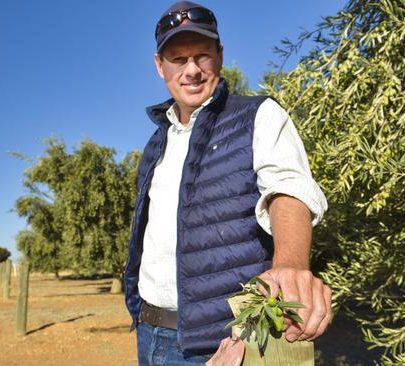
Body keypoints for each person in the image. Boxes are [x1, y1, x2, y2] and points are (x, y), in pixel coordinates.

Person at [123, 2, 333, 365]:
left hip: (225, 341)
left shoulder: (257, 116)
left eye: (202, 55)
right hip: (150, 332)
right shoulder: (156, 144)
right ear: (160, 65)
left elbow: (288, 189)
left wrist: (291, 267)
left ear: (220, 56)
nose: (191, 70)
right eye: (178, 58)